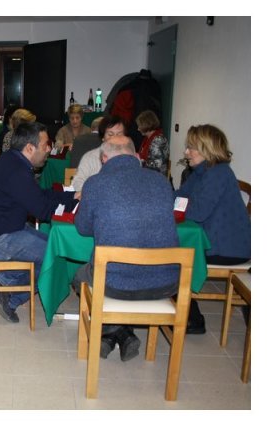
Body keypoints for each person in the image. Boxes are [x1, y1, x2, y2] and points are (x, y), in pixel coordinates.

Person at [72, 135, 179, 361]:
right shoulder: (161, 182)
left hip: (115, 284)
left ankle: (111, 333)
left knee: (79, 277)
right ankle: (121, 334)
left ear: (103, 158)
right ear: (137, 156)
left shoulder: (95, 184)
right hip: (164, 283)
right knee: (118, 275)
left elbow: (82, 228)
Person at [0, 122, 77, 323]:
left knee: (50, 246)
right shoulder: (16, 171)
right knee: (53, 255)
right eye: (45, 145)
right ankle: (8, 293)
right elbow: (42, 210)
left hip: (0, 229)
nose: (49, 149)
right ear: (29, 148)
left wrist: (71, 198)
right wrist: (72, 204)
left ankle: (4, 281)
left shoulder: (14, 162)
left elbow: (38, 196)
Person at [175, 124, 251, 334]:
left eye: (191, 147)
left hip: (230, 248)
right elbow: (179, 197)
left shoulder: (219, 173)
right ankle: (189, 316)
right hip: (215, 240)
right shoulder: (201, 171)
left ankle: (192, 319)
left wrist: (178, 205)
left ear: (206, 149)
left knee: (172, 257)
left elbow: (197, 212)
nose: (186, 152)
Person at [72, 115, 126, 192]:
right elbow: (77, 182)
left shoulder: (130, 158)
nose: (115, 138)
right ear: (103, 137)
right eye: (110, 134)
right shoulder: (90, 157)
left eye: (119, 134)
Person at [135, 110, 169, 176]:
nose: (138, 129)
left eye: (140, 126)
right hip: (147, 173)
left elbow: (157, 165)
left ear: (146, 125)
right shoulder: (147, 138)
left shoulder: (158, 140)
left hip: (156, 177)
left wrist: (137, 161)